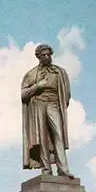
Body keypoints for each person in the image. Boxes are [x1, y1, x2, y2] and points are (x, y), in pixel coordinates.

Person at [21, 44, 74, 178]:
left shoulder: (60, 72)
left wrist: (59, 103)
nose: (47, 57)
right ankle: (46, 170)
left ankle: (63, 169)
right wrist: (37, 86)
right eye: (43, 55)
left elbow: (66, 94)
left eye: (48, 54)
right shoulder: (31, 74)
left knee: (58, 135)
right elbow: (23, 94)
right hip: (38, 104)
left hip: (53, 104)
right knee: (42, 138)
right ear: (38, 57)